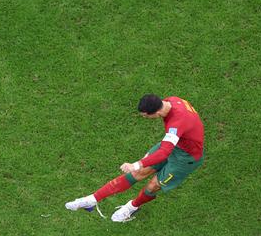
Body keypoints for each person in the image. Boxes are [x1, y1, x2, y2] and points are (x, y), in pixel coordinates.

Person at [65, 94, 205, 222]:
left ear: (156, 112)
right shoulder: (172, 101)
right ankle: (92, 200)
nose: (145, 118)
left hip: (186, 158)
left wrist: (136, 164)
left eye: (146, 116)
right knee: (137, 173)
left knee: (152, 186)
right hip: (176, 144)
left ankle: (132, 207)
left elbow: (163, 153)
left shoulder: (176, 123)